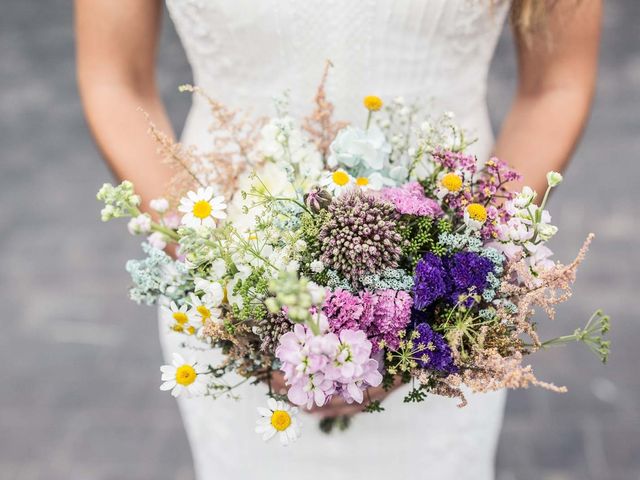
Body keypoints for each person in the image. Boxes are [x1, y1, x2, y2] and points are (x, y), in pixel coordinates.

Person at [75, 1, 601, 478]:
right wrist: (224, 275)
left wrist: (451, 288)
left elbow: (555, 86)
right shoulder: (223, 280)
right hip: (223, 279)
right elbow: (114, 79)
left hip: (448, 285)